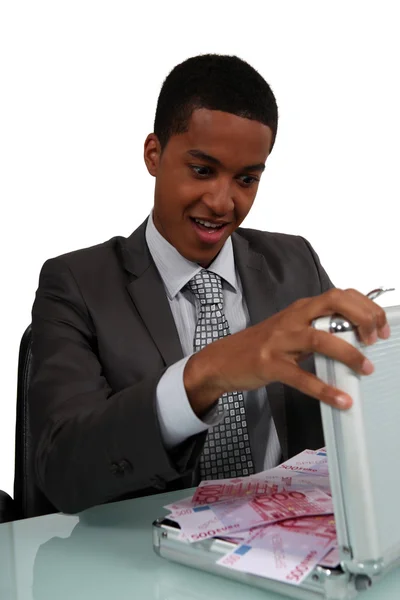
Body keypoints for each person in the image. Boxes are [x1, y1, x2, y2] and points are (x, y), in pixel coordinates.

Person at [29, 54, 389, 515]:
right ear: (153, 154)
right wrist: (206, 372)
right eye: (202, 170)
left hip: (289, 546)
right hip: (145, 564)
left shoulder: (296, 263)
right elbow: (62, 471)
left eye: (246, 179)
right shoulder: (75, 284)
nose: (222, 203)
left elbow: (362, 411)